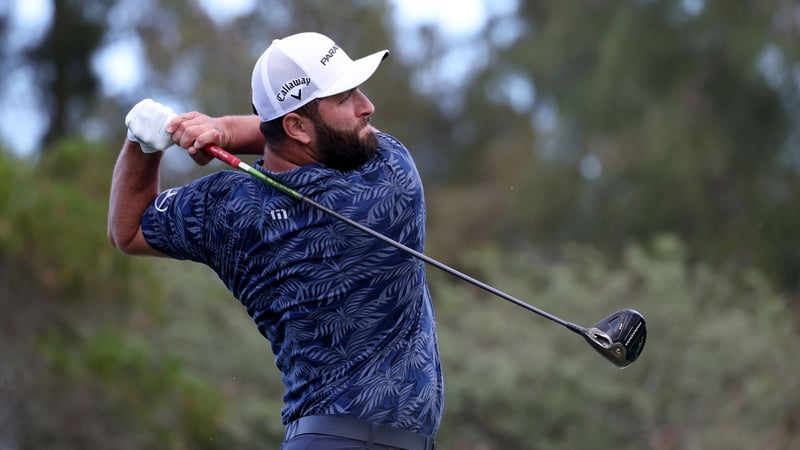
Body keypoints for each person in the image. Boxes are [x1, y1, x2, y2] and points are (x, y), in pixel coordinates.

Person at [108, 32, 443, 449]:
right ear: (297, 126)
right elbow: (319, 139)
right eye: (344, 98)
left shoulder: (226, 210)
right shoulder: (389, 177)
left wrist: (143, 142)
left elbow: (129, 230)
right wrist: (224, 130)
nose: (366, 107)